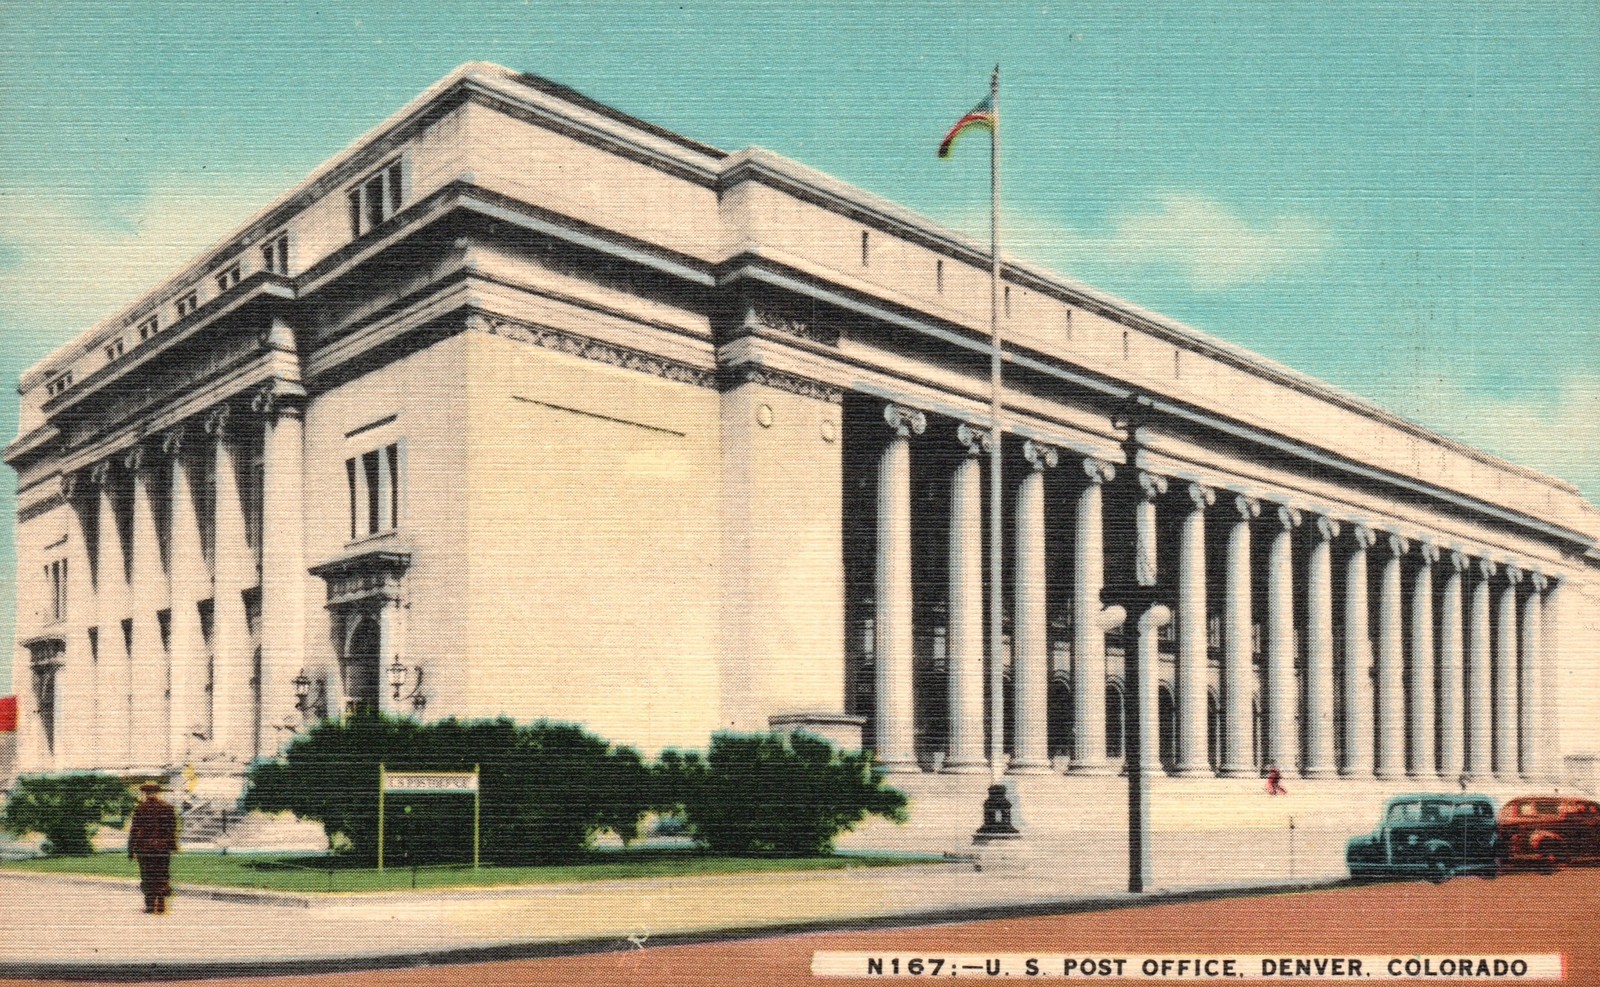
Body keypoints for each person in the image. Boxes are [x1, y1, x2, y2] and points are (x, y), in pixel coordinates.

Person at [128, 781, 179, 914]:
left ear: (145, 793)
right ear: (157, 792)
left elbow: (134, 830)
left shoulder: (140, 808)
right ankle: (161, 905)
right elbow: (172, 829)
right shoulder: (168, 807)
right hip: (162, 847)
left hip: (145, 848)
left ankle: (150, 906)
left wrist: (131, 849)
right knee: (162, 874)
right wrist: (171, 845)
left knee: (147, 875)